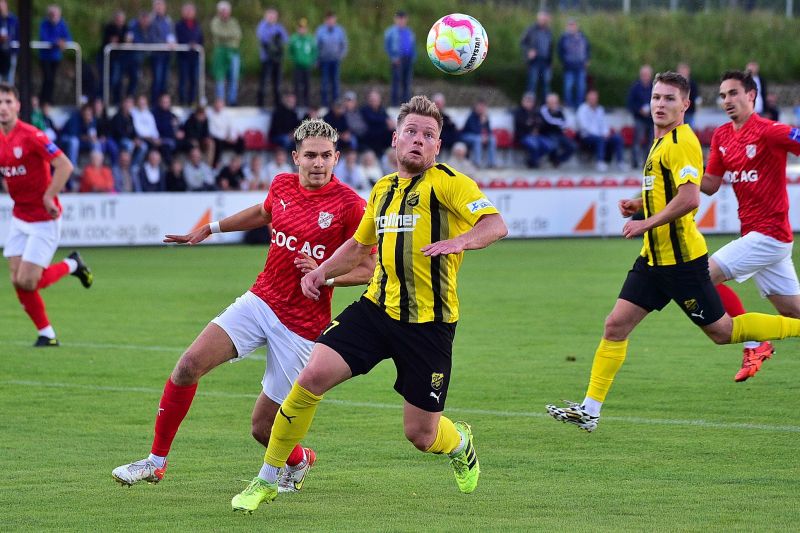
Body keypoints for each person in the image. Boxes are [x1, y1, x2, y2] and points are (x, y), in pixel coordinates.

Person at [230, 95, 508, 513]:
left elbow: (495, 224)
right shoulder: (382, 189)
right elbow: (360, 246)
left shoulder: (450, 183)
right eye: (411, 132)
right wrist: (321, 272)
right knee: (311, 377)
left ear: (437, 145)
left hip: (429, 325)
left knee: (421, 434)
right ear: (396, 139)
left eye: (428, 135)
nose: (418, 140)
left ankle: (461, 442)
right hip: (376, 309)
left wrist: (459, 241)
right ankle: (267, 479)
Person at [112, 118, 376, 495]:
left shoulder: (350, 206)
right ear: (295, 157)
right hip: (260, 300)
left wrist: (324, 275)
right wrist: (212, 228)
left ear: (336, 158)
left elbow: (371, 267)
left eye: (326, 156)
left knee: (262, 428)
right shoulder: (282, 185)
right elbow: (264, 212)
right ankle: (155, 463)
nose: (318, 164)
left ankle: (298, 460)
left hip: (301, 326)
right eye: (310, 156)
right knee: (187, 366)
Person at [546, 72, 800, 433]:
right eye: (656, 98)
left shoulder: (682, 141)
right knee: (615, 325)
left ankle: (777, 335)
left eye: (669, 99)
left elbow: (690, 197)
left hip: (682, 262)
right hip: (653, 260)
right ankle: (590, 409)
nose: (660, 105)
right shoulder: (663, 141)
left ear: (685, 105)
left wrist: (644, 224)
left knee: (723, 332)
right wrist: (640, 204)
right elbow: (685, 189)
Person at [701, 70, 800, 382]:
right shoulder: (722, 136)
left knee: (701, 277)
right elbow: (711, 184)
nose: (727, 100)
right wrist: (681, 171)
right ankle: (756, 342)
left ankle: (755, 343)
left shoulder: (771, 131)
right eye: (723, 95)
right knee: (793, 314)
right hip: (761, 238)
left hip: (769, 235)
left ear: (751, 96)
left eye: (733, 93)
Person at [0, 82, 92, 347]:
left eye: (8, 102)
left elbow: (64, 165)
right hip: (20, 217)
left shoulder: (31, 136)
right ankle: (47, 335)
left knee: (28, 280)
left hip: (44, 220)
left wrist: (49, 195)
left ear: (18, 105)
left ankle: (73, 264)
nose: (3, 108)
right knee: (18, 280)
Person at [576, 89, 624, 171]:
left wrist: (606, 133)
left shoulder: (600, 109)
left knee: (617, 138)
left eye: (595, 98)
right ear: (587, 98)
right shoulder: (582, 109)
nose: (593, 100)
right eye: (591, 98)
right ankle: (600, 162)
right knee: (600, 139)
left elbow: (604, 124)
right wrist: (601, 135)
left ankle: (620, 162)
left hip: (600, 135)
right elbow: (584, 126)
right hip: (586, 137)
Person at [38, 5, 72, 105]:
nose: (54, 16)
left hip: (55, 57)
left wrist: (63, 41)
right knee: (47, 78)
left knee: (52, 79)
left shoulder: (62, 24)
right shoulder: (44, 24)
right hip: (45, 56)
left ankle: (49, 100)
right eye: (52, 14)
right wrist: (56, 42)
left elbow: (68, 37)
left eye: (56, 14)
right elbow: (44, 37)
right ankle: (43, 99)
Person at [256, 7, 288, 108]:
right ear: (266, 16)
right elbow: (263, 38)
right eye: (270, 16)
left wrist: (277, 43)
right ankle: (260, 103)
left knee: (277, 83)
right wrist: (273, 40)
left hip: (276, 59)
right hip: (266, 59)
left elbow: (286, 39)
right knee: (264, 82)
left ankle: (277, 104)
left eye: (273, 16)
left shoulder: (279, 27)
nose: (271, 18)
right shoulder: (262, 26)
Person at [210, 1, 242, 106]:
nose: (225, 13)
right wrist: (230, 36)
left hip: (233, 52)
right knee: (220, 77)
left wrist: (226, 37)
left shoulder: (234, 22)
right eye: (222, 11)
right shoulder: (215, 22)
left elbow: (238, 35)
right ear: (219, 12)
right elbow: (218, 33)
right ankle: (220, 101)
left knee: (234, 77)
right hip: (220, 52)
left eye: (226, 11)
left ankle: (232, 100)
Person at [315, 11, 347, 107]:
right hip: (324, 60)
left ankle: (336, 104)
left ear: (335, 20)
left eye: (332, 19)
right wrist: (316, 59)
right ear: (325, 20)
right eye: (328, 19)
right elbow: (316, 46)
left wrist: (340, 56)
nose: (330, 21)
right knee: (324, 82)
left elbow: (344, 45)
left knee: (335, 82)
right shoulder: (320, 30)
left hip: (335, 60)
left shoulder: (340, 30)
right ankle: (324, 104)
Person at [384, 10, 415, 107]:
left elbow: (412, 46)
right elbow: (387, 46)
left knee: (407, 83)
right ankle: (395, 104)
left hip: (408, 59)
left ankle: (406, 104)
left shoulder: (409, 31)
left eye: (403, 19)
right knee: (396, 82)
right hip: (397, 59)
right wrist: (393, 57)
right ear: (396, 19)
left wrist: (413, 57)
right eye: (399, 19)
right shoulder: (390, 32)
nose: (401, 21)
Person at [519, 11, 553, 102]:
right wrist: (528, 51)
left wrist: (550, 62)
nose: (543, 20)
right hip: (534, 61)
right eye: (541, 18)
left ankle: (545, 106)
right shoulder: (531, 29)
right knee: (532, 84)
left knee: (546, 85)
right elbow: (522, 42)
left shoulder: (548, 31)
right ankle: (530, 107)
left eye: (545, 18)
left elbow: (550, 47)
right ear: (538, 19)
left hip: (546, 62)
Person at [557, 18, 589, 109]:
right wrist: (563, 61)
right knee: (568, 87)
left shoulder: (583, 36)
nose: (572, 27)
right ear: (567, 26)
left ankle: (580, 105)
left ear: (577, 26)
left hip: (581, 66)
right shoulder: (563, 37)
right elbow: (559, 51)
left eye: (573, 25)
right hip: (569, 67)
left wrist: (587, 59)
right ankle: (569, 105)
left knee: (581, 87)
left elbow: (588, 49)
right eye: (570, 25)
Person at [175, 2, 203, 106]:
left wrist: (197, 44)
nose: (189, 13)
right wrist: (188, 44)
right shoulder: (179, 24)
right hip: (183, 57)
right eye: (187, 11)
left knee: (194, 80)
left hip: (194, 57)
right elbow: (178, 38)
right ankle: (182, 101)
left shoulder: (197, 25)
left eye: (191, 11)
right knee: (183, 80)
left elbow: (201, 38)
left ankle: (192, 101)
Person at [627, 64, 654, 169]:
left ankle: (648, 164)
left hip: (652, 119)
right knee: (637, 140)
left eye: (647, 74)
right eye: (644, 74)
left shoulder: (654, 87)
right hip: (639, 118)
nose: (645, 76)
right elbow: (630, 103)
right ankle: (635, 162)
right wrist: (639, 110)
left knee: (651, 142)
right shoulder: (635, 87)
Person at [513, 91, 548, 168]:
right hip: (523, 136)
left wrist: (535, 127)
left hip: (536, 135)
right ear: (523, 101)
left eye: (531, 101)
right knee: (534, 145)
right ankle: (534, 163)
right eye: (527, 101)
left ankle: (532, 161)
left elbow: (541, 123)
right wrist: (531, 126)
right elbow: (521, 124)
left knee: (548, 145)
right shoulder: (518, 112)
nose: (529, 103)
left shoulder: (536, 111)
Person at [149, 0, 175, 104]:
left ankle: (163, 103)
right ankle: (155, 103)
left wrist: (173, 42)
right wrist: (165, 43)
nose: (159, 8)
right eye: (157, 6)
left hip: (167, 55)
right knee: (157, 80)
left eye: (161, 5)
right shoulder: (151, 20)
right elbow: (151, 37)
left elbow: (172, 34)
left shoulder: (168, 20)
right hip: (157, 55)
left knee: (165, 81)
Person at [288, 18, 317, 108]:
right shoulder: (294, 38)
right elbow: (290, 51)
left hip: (307, 66)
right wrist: (294, 59)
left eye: (303, 28)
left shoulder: (310, 39)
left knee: (307, 85)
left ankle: (306, 103)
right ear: (298, 28)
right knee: (296, 85)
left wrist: (311, 60)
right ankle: (297, 104)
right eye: (300, 28)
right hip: (297, 66)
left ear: (306, 29)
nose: (302, 30)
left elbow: (314, 51)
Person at [460, 98, 497, 169]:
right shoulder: (471, 116)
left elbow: (489, 131)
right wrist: (481, 123)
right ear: (476, 107)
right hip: (466, 136)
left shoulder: (485, 117)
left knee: (492, 139)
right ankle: (477, 163)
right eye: (480, 106)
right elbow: (474, 130)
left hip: (479, 136)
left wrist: (487, 136)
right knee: (478, 139)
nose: (481, 109)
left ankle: (492, 163)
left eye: (483, 107)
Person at [676, 62, 701, 128]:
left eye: (684, 70)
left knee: (689, 132)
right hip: (678, 113)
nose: (683, 72)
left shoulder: (693, 84)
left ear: (688, 71)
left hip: (690, 112)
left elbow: (696, 98)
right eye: (681, 70)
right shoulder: (675, 84)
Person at [0, 1, 19, 84]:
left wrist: (9, 39)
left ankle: (9, 95)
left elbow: (19, 35)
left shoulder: (14, 20)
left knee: (10, 77)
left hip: (11, 51)